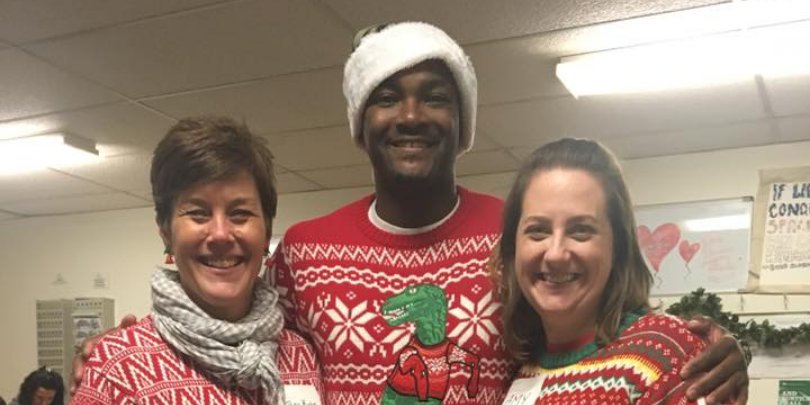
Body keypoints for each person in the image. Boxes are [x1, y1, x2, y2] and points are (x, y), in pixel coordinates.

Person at [268, 21, 748, 405]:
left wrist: (714, 348)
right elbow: (242, 335)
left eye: (435, 97)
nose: (410, 116)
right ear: (359, 124)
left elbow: (600, 320)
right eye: (386, 98)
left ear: (463, 125)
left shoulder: (518, 235)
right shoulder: (302, 250)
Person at [70, 116, 322, 405]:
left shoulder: (302, 355)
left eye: (240, 213)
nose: (220, 234)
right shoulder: (118, 368)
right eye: (197, 213)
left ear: (266, 232)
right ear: (166, 232)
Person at [493, 138, 724, 404]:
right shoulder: (522, 367)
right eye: (538, 231)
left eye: (581, 230)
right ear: (513, 247)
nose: (555, 253)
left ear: (618, 247)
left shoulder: (667, 354)